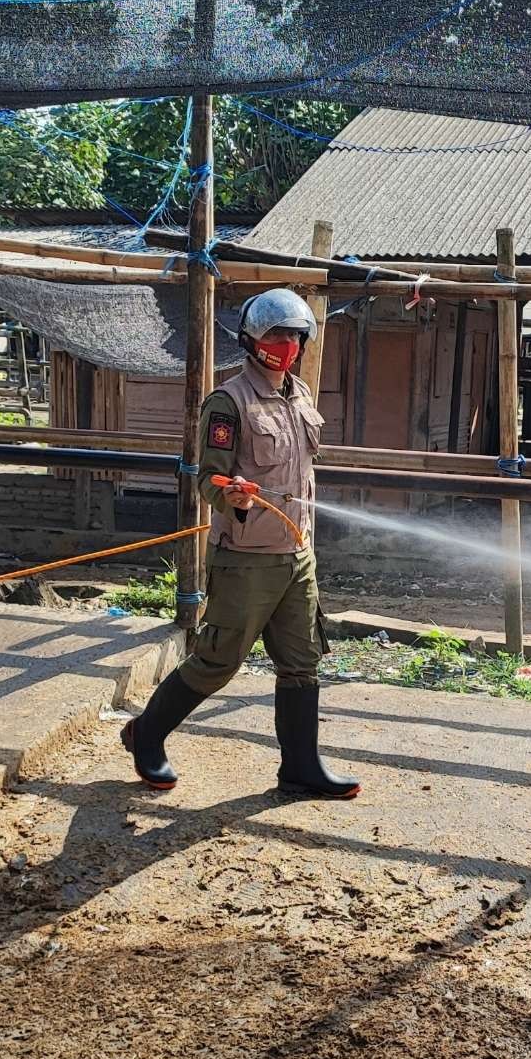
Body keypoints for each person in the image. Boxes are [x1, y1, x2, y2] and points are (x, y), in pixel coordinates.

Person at [120, 288, 360, 799]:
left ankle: (299, 768)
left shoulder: (301, 397)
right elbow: (207, 480)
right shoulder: (229, 402)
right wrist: (234, 495)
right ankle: (146, 734)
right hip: (247, 559)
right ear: (251, 339)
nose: (287, 344)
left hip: (298, 557)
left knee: (302, 662)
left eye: (295, 335)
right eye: (277, 334)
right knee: (217, 660)